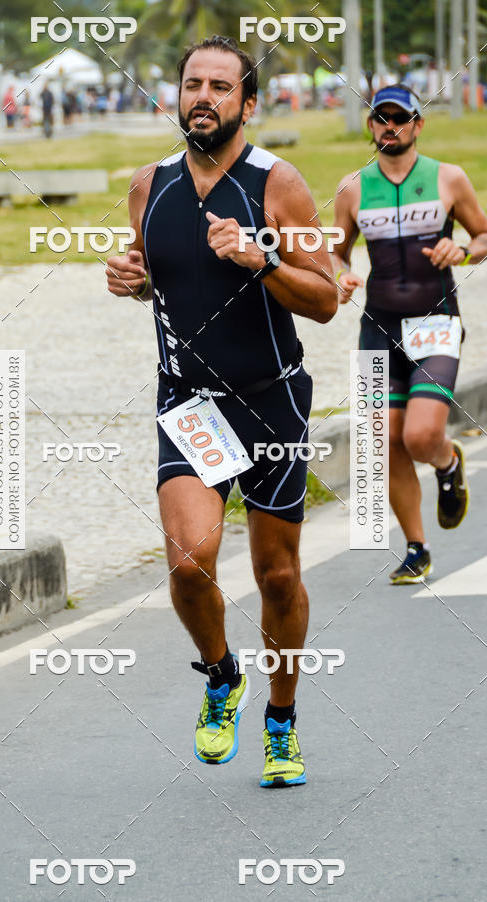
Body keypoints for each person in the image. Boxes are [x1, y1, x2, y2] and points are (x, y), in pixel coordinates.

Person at [106, 35, 337, 787]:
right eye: (192, 84)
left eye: (219, 86)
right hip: (191, 403)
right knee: (187, 562)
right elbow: (156, 278)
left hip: (271, 402)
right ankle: (220, 674)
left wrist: (261, 260)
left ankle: (281, 721)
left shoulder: (278, 183)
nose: (202, 97)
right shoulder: (149, 186)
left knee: (277, 575)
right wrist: (130, 280)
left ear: (248, 103)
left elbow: (327, 299)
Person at [330, 84, 487, 584]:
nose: (390, 126)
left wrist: (463, 251)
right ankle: (417, 548)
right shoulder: (352, 187)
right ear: (371, 125)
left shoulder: (448, 177)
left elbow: (483, 235)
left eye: (400, 118)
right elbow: (336, 253)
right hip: (377, 327)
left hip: (435, 321)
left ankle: (447, 459)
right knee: (383, 442)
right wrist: (339, 276)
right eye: (382, 118)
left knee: (419, 435)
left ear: (418, 124)